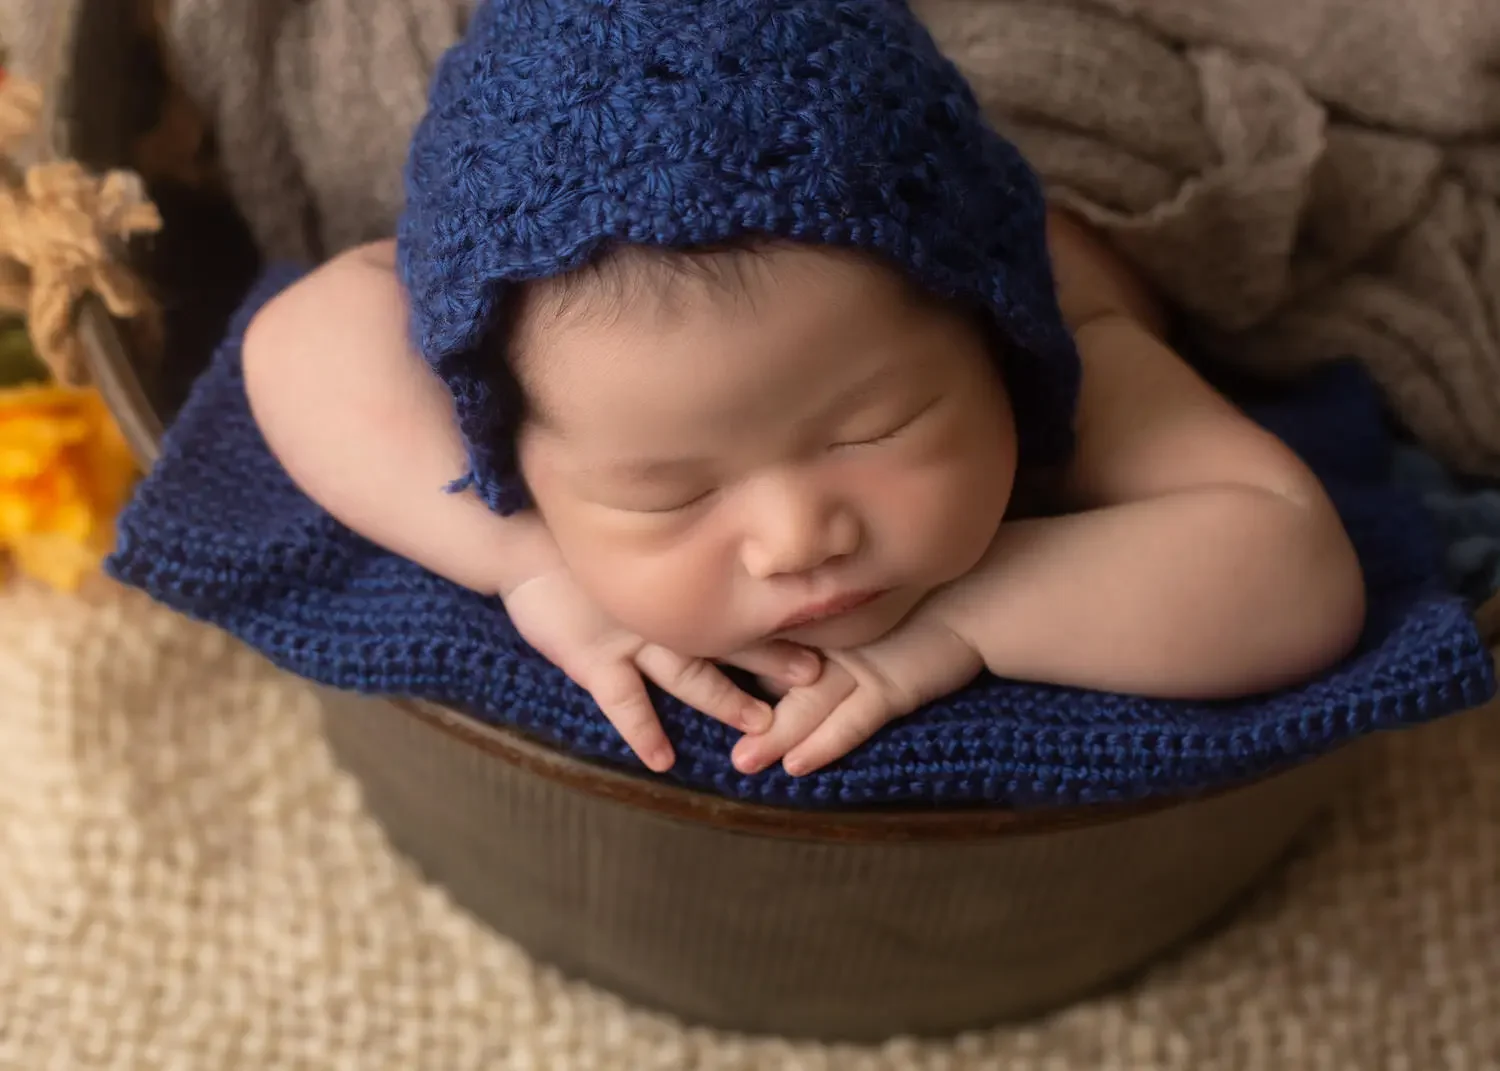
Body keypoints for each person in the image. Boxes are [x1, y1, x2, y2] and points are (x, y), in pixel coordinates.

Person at [240, 0, 1367, 779]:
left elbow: (1296, 566)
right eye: (666, 495)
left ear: (987, 338)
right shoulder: (533, 339)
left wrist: (969, 621)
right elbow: (297, 341)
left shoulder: (1057, 342)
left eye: (875, 428)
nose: (795, 538)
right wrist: (529, 564)